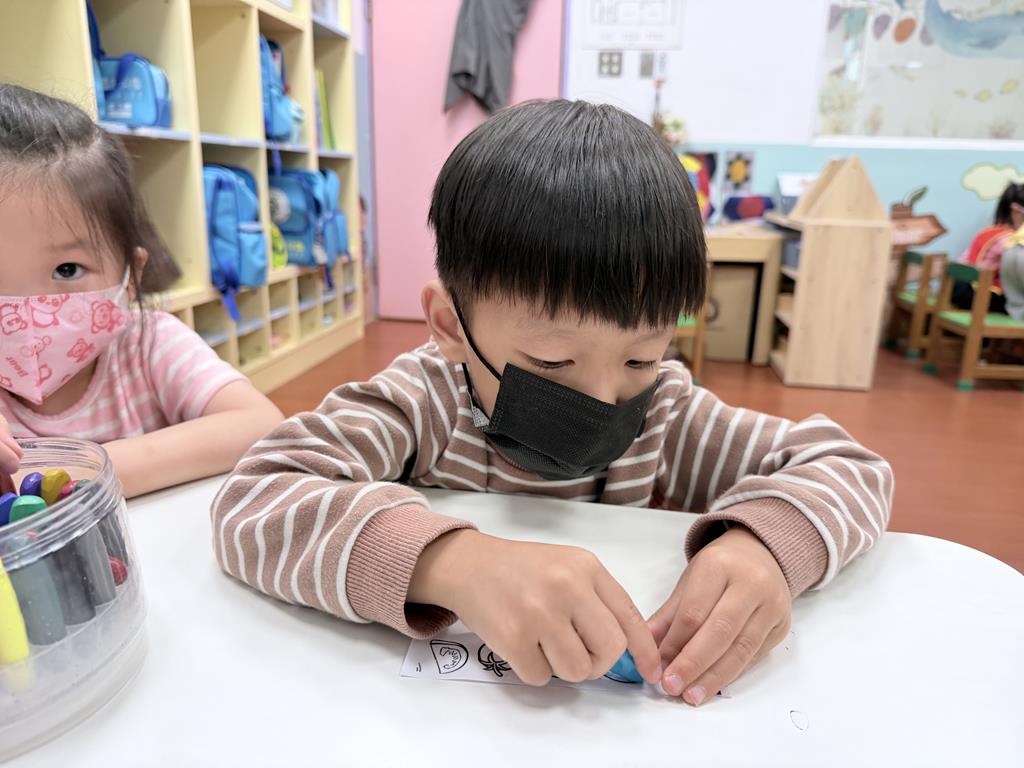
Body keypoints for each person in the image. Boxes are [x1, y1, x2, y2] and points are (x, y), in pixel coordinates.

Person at [211, 100, 892, 705]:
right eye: (552, 362)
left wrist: (764, 547)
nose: (602, 396)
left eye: (639, 357)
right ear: (450, 326)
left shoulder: (665, 414)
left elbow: (848, 464)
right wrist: (450, 564)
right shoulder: (423, 401)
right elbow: (256, 496)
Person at [0, 85, 283, 497]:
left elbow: (260, 424)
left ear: (131, 276)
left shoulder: (149, 343)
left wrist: (82, 471)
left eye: (67, 269)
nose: (24, 313)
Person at [953, 182, 1024, 313]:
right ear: (1016, 210)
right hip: (976, 295)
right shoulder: (1009, 240)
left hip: (959, 288)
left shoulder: (990, 231)